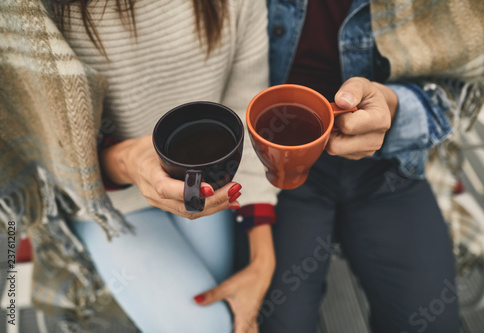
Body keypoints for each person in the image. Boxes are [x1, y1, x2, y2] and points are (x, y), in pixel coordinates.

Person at [0, 0, 277, 332]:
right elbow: (44, 142)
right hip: (107, 202)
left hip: (204, 185)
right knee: (207, 325)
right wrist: (127, 163)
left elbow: (245, 110)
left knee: (218, 291)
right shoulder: (25, 10)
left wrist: (263, 259)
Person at [258, 0, 484, 332]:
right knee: (279, 323)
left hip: (390, 166)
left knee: (431, 323)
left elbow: (454, 92)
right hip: (280, 166)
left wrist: (396, 110)